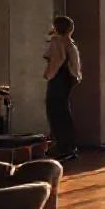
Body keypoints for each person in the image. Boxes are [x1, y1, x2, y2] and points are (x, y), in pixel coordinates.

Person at [43, 16, 82, 161]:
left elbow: (58, 59)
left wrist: (49, 73)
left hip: (59, 77)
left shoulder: (57, 41)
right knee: (63, 111)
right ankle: (68, 146)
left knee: (55, 111)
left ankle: (63, 147)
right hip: (68, 78)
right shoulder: (69, 42)